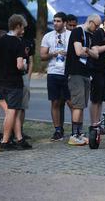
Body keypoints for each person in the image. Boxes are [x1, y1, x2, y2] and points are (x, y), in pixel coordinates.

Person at [0, 14, 32, 150]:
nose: (23, 30)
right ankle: (5, 142)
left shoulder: (1, 40)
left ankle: (19, 139)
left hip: (2, 81)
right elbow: (19, 65)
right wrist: (25, 65)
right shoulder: (18, 43)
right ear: (17, 26)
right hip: (14, 82)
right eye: (22, 27)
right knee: (12, 111)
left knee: (15, 111)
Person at [65, 14, 100, 146]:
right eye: (96, 25)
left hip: (86, 73)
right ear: (90, 22)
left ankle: (79, 133)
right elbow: (78, 52)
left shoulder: (92, 35)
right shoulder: (77, 31)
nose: (96, 28)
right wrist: (87, 51)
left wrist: (87, 50)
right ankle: (74, 135)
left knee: (82, 105)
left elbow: (96, 54)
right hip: (75, 73)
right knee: (77, 105)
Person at [40, 12, 71, 141]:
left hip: (67, 72)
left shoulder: (71, 35)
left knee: (71, 102)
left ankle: (76, 130)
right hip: (53, 72)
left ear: (64, 23)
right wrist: (53, 53)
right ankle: (58, 130)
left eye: (58, 21)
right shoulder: (48, 36)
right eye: (54, 21)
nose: (55, 23)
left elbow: (78, 52)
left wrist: (67, 53)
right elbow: (42, 56)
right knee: (55, 102)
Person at [18, 33, 35, 139]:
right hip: (12, 78)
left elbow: (31, 61)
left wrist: (28, 78)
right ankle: (12, 131)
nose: (23, 30)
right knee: (13, 107)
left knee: (23, 107)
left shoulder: (27, 42)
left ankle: (20, 130)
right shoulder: (10, 41)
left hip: (24, 77)